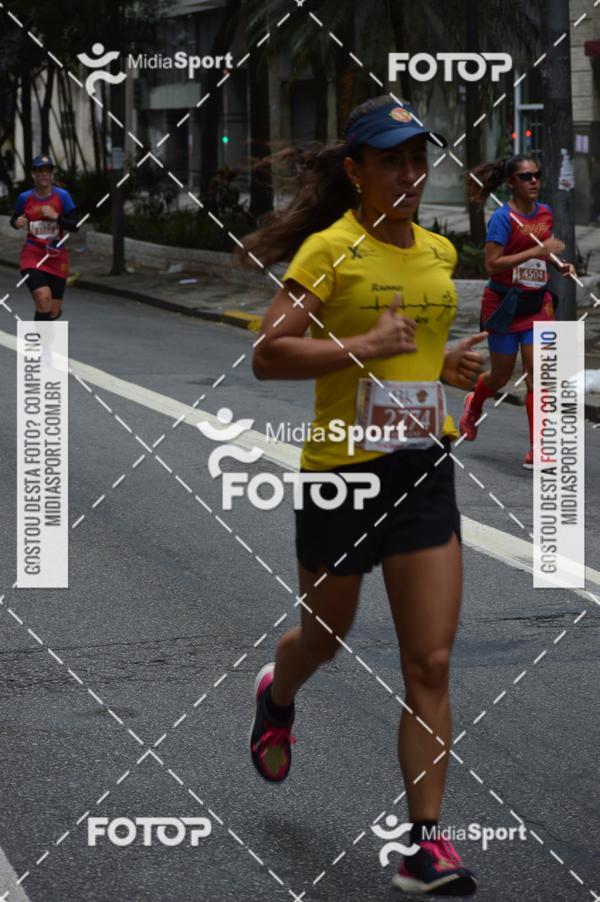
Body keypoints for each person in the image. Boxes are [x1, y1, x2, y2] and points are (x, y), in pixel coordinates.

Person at [243, 95, 486, 896]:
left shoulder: (440, 255)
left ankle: (425, 846)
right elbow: (268, 356)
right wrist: (364, 346)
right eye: (391, 161)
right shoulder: (330, 251)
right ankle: (278, 693)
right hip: (342, 477)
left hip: (421, 468)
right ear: (356, 172)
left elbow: (414, 359)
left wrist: (445, 368)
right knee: (324, 639)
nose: (410, 175)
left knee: (432, 659)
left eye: (418, 159)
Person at [459, 155, 576, 468]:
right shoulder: (502, 219)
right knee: (499, 375)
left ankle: (537, 448)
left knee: (538, 377)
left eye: (537, 175)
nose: (534, 181)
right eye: (526, 177)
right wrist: (535, 251)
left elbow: (545, 250)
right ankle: (475, 401)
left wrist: (558, 263)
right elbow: (492, 265)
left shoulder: (545, 213)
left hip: (536, 304)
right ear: (511, 183)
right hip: (504, 305)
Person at [10, 154, 79, 321]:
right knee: (43, 298)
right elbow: (14, 218)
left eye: (48, 171)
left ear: (52, 174)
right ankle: (39, 345)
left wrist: (57, 217)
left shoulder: (62, 196)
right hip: (33, 255)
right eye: (40, 171)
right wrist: (16, 222)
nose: (44, 175)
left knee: (53, 311)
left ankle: (44, 339)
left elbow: (75, 225)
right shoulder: (25, 198)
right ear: (34, 173)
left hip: (56, 256)